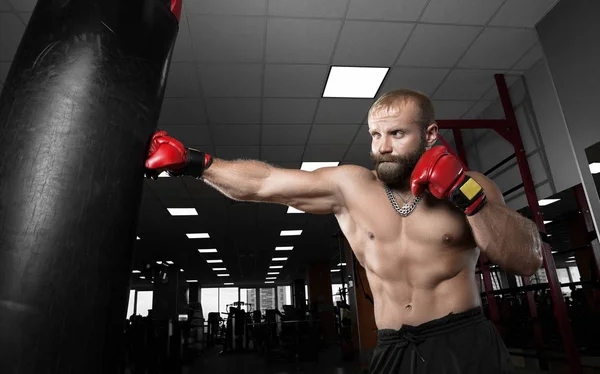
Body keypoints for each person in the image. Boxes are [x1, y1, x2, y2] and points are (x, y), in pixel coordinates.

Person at [145, 89, 543, 373]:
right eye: (375, 134)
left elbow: (527, 260)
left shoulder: (473, 185)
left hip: (464, 343)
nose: (382, 146)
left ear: (430, 135)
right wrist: (194, 162)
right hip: (392, 346)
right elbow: (264, 183)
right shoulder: (351, 187)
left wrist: (467, 196)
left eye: (397, 134)